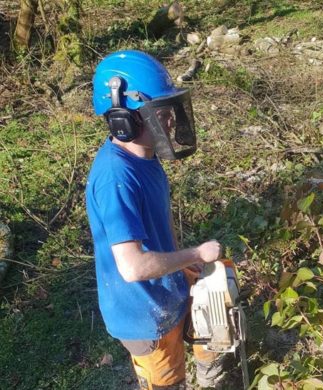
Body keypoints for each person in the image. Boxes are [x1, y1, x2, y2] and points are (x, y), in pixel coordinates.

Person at [86, 50, 224, 389]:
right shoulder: (115, 177)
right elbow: (132, 267)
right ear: (124, 119)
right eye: (161, 113)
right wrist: (194, 255)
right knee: (167, 382)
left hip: (166, 288)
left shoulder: (144, 158)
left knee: (222, 285)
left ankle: (211, 378)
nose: (171, 120)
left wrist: (182, 265)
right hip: (143, 315)